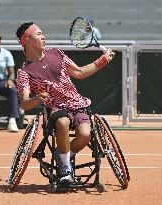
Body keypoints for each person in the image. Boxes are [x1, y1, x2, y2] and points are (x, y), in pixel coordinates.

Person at [15, 22, 114, 185]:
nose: (43, 36)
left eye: (42, 33)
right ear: (27, 40)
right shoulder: (24, 72)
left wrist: (102, 60)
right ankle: (66, 169)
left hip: (77, 103)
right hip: (55, 107)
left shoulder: (56, 53)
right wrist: (36, 98)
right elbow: (24, 104)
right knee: (62, 122)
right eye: (38, 34)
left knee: (84, 135)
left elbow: (79, 72)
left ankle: (62, 156)